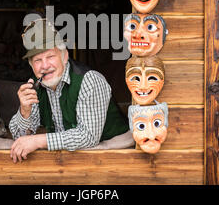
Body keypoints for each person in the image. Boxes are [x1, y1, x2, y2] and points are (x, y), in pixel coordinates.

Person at [9, 19, 129, 163]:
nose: (45, 65)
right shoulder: (36, 86)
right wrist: (24, 111)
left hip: (115, 157)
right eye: (37, 60)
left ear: (64, 56)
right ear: (31, 66)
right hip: (70, 162)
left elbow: (87, 136)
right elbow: (20, 138)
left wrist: (38, 140)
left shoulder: (89, 80)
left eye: (50, 56)